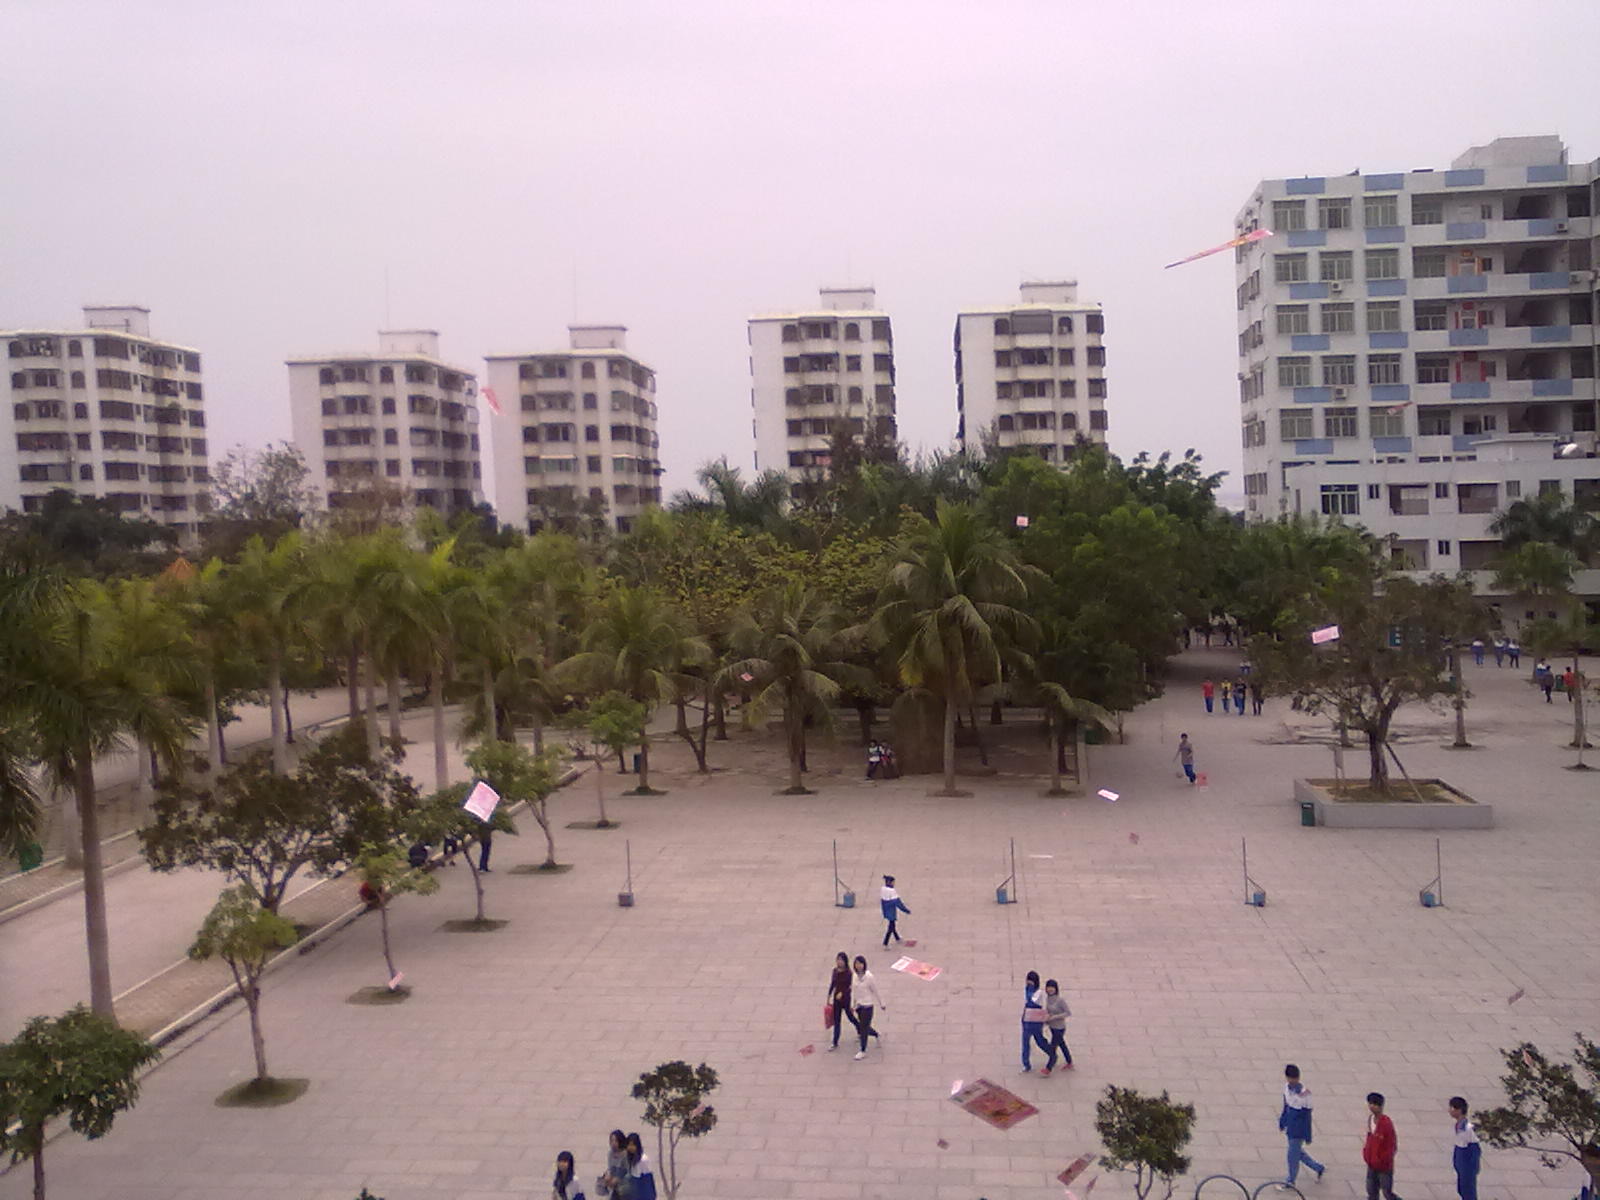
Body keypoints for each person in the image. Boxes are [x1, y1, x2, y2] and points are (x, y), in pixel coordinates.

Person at [1277, 1064, 1325, 1187]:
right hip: (1290, 1125)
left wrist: (1308, 1135)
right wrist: (1282, 1121)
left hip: (1299, 1128)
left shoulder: (1305, 1094)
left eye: (1295, 1078)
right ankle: (1318, 1167)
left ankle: (1290, 1180)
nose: (1292, 1081)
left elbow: (1307, 1116)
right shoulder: (1286, 1088)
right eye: (1290, 1078)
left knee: (1292, 1155)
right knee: (1298, 1152)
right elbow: (1285, 1106)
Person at [1363, 1092, 1400, 1200]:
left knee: (1387, 1192)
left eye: (1375, 1104)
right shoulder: (1370, 1119)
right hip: (1371, 1163)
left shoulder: (1386, 1124)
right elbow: (1369, 1138)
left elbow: (1392, 1145)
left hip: (1384, 1166)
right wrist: (1366, 1153)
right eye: (1370, 1103)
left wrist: (1383, 1159)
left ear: (1381, 1106)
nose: (1371, 1106)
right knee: (1371, 1191)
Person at [851, 954, 884, 1060]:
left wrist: (881, 1003)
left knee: (863, 1028)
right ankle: (876, 1034)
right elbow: (854, 991)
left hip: (868, 1006)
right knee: (863, 1026)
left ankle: (863, 1050)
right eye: (856, 964)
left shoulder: (869, 977)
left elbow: (875, 991)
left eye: (860, 963)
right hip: (859, 1006)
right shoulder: (854, 976)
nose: (858, 966)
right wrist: (853, 1004)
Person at [825, 950, 859, 1051]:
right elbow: (833, 984)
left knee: (850, 1017)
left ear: (845, 961)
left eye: (841, 960)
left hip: (845, 999)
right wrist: (829, 996)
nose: (839, 962)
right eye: (838, 960)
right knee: (837, 1021)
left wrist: (843, 993)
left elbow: (850, 987)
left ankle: (859, 1029)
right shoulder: (835, 971)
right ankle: (835, 1042)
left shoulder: (849, 973)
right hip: (836, 999)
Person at [1448, 1097, 1479, 1200]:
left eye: (1452, 1108)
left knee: (1468, 1190)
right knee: (1461, 1189)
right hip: (1461, 1161)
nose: (1450, 1110)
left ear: (1459, 1110)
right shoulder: (1459, 1125)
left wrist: (1470, 1168)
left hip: (1467, 1163)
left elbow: (1475, 1149)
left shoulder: (1468, 1128)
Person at [1020, 969, 1051, 1073]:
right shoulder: (1027, 989)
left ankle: (1051, 1052)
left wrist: (1030, 988)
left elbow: (1031, 1001)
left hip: (1035, 1021)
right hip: (1027, 1019)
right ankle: (1026, 1064)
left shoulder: (1039, 993)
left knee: (1039, 1040)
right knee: (1025, 1042)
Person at [1040, 978, 1072, 1075]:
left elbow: (1068, 1013)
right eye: (1048, 987)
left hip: (1059, 1028)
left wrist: (1054, 1017)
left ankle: (1048, 1067)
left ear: (1056, 988)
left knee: (1053, 1048)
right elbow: (1048, 1011)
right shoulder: (1048, 999)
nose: (1050, 989)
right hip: (1052, 1027)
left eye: (1052, 988)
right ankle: (1069, 1061)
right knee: (1062, 1044)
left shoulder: (1060, 1000)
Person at [624, 1133, 657, 1200]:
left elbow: (648, 1181)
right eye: (628, 1145)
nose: (630, 1147)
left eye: (633, 1145)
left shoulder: (643, 1160)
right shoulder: (630, 1159)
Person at [599, 1130, 630, 1198]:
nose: (613, 1143)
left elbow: (628, 1171)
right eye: (612, 1141)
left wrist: (617, 1179)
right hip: (615, 1188)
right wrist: (608, 1175)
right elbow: (610, 1168)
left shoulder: (625, 1155)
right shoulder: (610, 1153)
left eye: (616, 1141)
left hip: (625, 1188)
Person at [880, 875, 910, 946]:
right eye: (893, 882)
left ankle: (897, 938)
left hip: (885, 909)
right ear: (890, 882)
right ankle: (885, 942)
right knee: (891, 926)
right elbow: (898, 902)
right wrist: (906, 910)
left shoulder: (883, 889)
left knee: (892, 924)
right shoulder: (892, 891)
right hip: (891, 910)